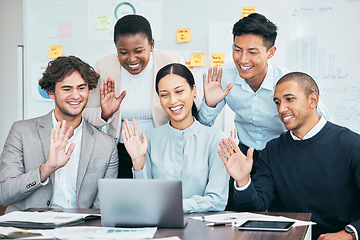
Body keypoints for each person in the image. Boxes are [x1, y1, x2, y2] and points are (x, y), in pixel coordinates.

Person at [198, 13, 332, 210]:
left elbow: (322, 121)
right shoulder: (223, 77)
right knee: (238, 211)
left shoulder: (287, 82)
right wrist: (209, 105)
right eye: (237, 50)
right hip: (244, 154)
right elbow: (202, 125)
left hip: (283, 154)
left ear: (271, 52)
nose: (243, 59)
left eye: (252, 52)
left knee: (284, 211)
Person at [218, 72, 360, 240]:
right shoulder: (272, 150)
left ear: (312, 100)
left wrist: (351, 233)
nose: (281, 109)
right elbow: (255, 208)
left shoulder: (351, 144)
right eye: (277, 102)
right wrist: (242, 180)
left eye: (289, 99)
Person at [0, 56, 118, 213]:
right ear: (51, 92)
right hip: (30, 228)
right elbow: (4, 194)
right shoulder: (22, 132)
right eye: (67, 89)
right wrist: (46, 169)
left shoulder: (106, 144)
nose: (76, 96)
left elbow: (102, 207)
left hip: (80, 230)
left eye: (82, 88)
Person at [83, 14, 192, 178]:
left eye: (139, 51)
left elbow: (191, 107)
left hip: (165, 148)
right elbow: (86, 112)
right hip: (122, 152)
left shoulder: (172, 62)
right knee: (127, 200)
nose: (132, 58)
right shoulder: (103, 67)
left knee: (163, 200)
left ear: (152, 44)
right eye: (123, 52)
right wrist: (105, 113)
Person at [122, 63, 229, 213]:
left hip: (201, 227)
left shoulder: (216, 140)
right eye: (164, 94)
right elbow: (144, 198)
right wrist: (138, 161)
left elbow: (217, 201)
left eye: (179, 91)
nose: (172, 101)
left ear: (194, 91)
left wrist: (174, 206)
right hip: (159, 225)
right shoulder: (149, 139)